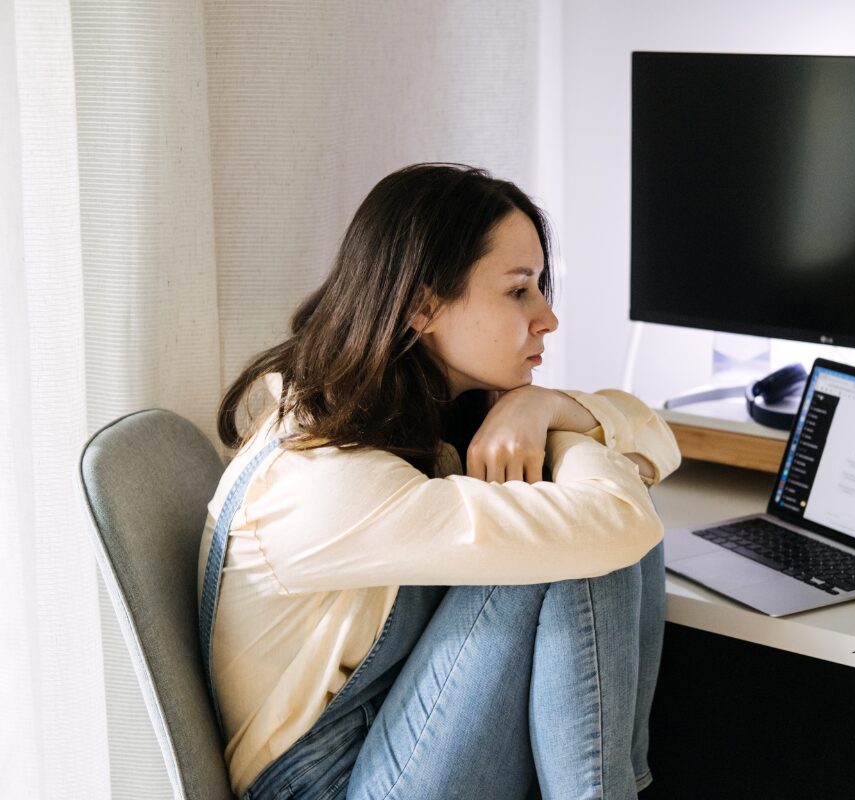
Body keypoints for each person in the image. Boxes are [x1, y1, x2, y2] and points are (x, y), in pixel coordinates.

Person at [199, 163, 681, 799]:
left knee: (579, 518)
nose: (548, 319)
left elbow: (654, 444)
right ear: (423, 307)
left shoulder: (395, 416)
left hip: (387, 731)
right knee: (579, 544)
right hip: (330, 785)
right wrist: (555, 417)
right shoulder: (325, 478)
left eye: (540, 286)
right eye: (518, 292)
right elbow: (623, 518)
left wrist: (542, 408)